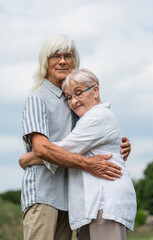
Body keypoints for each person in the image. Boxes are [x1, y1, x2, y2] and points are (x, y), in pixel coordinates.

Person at [20, 34, 131, 240]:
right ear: (46, 62)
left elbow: (96, 136)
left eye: (68, 56)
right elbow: (42, 149)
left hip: (72, 199)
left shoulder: (75, 101)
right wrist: (88, 164)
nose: (62, 61)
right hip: (44, 194)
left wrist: (118, 146)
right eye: (55, 56)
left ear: (75, 62)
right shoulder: (38, 99)